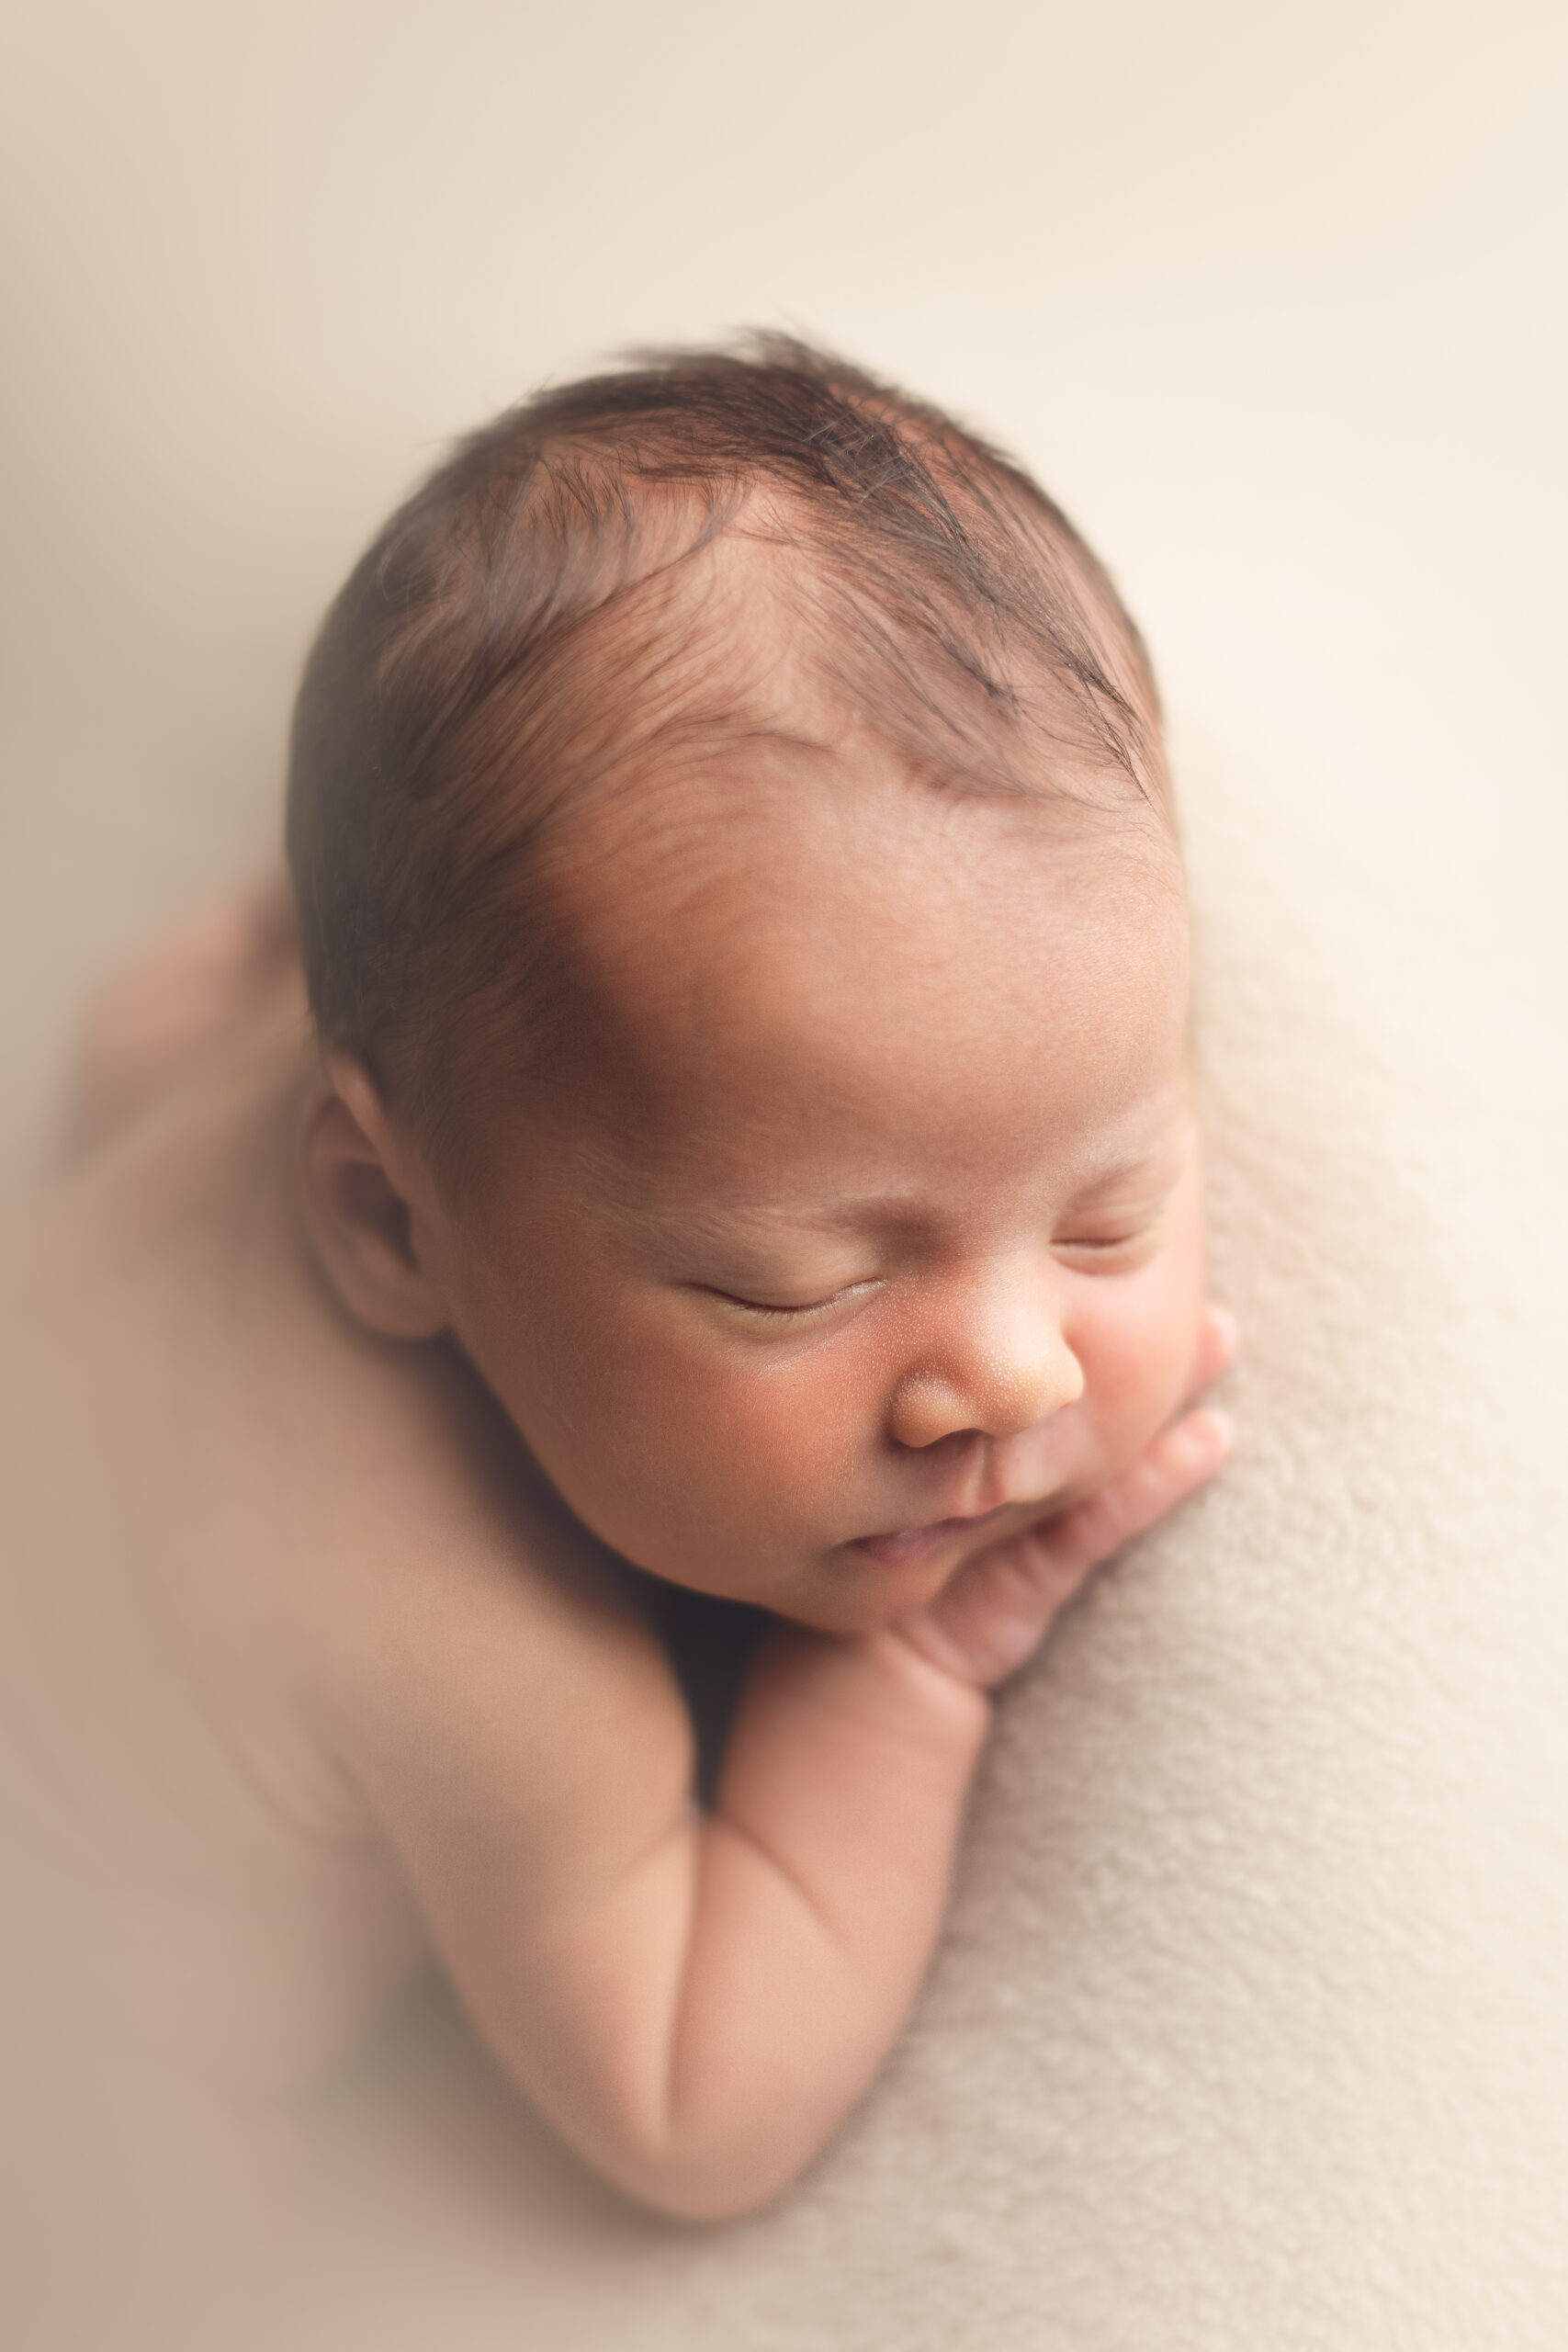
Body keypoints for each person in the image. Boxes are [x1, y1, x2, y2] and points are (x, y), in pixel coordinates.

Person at [1, 339, 1233, 2222]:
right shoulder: (473, 1637)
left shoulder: (276, 1034)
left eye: (1103, 1215)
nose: (1005, 1371)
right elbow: (686, 2104)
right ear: (393, 1220)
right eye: (789, 1284)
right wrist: (907, 1667)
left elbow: (141, 1014)